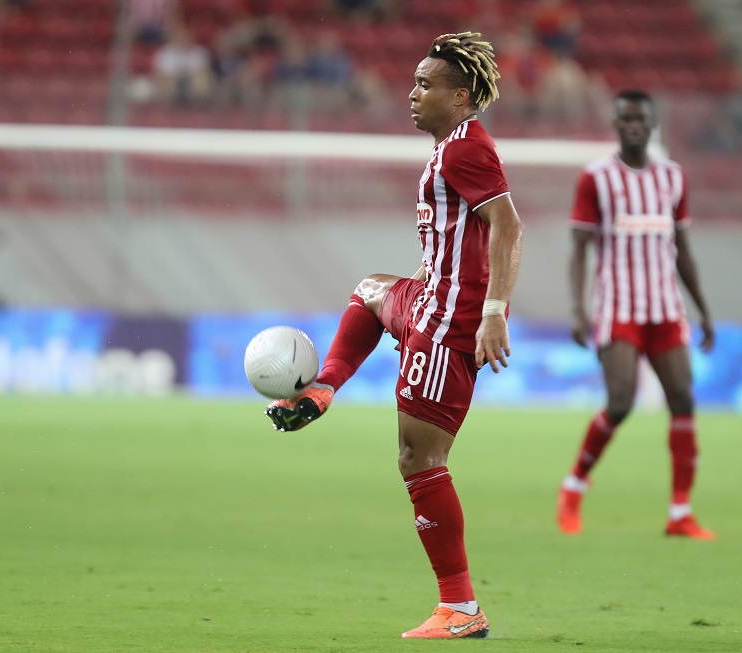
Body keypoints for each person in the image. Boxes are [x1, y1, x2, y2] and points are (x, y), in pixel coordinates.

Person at [265, 32, 524, 639]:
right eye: (414, 82)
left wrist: (493, 312)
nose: (412, 94)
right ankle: (323, 388)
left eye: (425, 85)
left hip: (449, 322)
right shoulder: (449, 148)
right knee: (372, 290)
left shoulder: (466, 150)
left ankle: (460, 609)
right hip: (428, 298)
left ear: (459, 96)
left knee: (419, 458)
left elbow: (509, 227)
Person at [557, 89, 716, 540]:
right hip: (618, 308)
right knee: (621, 402)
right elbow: (578, 249)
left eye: (640, 118)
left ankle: (680, 512)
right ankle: (574, 485)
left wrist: (703, 310)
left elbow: (683, 249)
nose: (633, 126)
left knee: (683, 399)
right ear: (615, 124)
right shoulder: (596, 178)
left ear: (652, 123)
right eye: (625, 118)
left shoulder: (672, 177)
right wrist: (578, 309)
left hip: (665, 307)